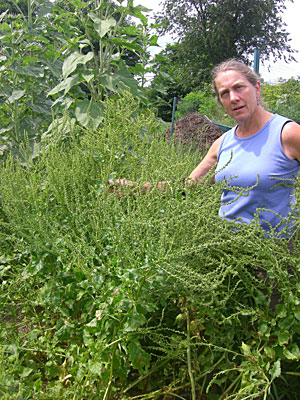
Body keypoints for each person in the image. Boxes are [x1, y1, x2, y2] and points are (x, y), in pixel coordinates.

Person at [110, 59, 300, 236]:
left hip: (274, 254)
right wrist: (137, 188)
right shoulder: (223, 143)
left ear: (256, 89)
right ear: (221, 102)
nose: (233, 98)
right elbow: (188, 186)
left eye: (239, 87)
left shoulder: (287, 133)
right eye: (224, 93)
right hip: (228, 250)